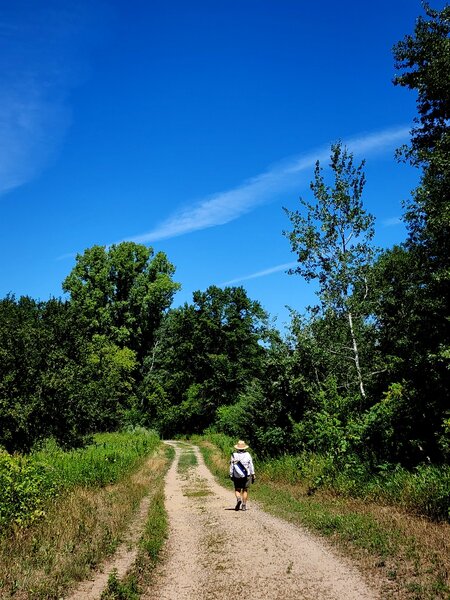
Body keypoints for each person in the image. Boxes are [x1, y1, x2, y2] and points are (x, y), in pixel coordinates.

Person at [229, 440, 255, 511]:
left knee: (237, 489)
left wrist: (231, 474)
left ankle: (238, 499)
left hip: (236, 475)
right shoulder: (248, 454)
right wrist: (253, 474)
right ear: (244, 448)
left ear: (237, 448)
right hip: (246, 475)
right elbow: (251, 465)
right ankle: (244, 505)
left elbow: (232, 465)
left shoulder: (234, 455)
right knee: (245, 490)